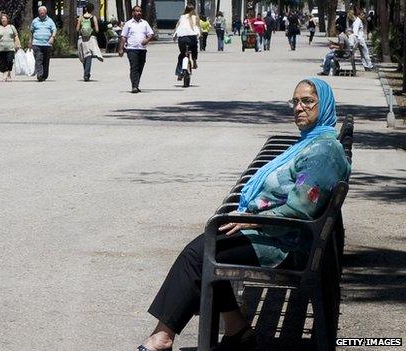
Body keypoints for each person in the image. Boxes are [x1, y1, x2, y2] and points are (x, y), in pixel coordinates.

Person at [136, 78, 351, 351]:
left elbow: (301, 209)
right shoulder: (313, 142)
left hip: (286, 241)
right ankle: (236, 329)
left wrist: (249, 218)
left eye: (308, 102)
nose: (299, 108)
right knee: (208, 247)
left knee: (200, 253)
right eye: (295, 102)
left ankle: (162, 338)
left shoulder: (323, 151)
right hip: (278, 232)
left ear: (325, 105)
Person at [118, 5, 154, 94]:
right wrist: (121, 49)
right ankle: (134, 86)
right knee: (134, 67)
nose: (139, 13)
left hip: (142, 49)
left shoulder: (144, 23)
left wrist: (147, 40)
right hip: (131, 49)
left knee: (140, 67)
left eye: (140, 11)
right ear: (133, 13)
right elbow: (123, 37)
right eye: (137, 11)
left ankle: (136, 84)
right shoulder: (128, 24)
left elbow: (151, 34)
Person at [29, 6, 57, 82]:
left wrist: (52, 37)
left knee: (45, 61)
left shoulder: (50, 21)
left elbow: (54, 29)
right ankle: (40, 75)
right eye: (40, 12)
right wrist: (30, 42)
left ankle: (44, 75)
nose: (41, 13)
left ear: (45, 12)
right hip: (37, 44)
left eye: (43, 11)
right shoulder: (35, 21)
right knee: (38, 60)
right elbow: (31, 32)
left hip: (47, 44)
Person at [76, 2, 103, 82]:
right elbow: (97, 30)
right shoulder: (93, 17)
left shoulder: (81, 17)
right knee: (89, 56)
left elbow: (77, 29)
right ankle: (86, 74)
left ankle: (86, 73)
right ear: (92, 9)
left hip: (82, 39)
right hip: (90, 38)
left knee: (84, 56)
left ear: (86, 9)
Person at [0, 13, 20, 82]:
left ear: (7, 19)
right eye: (2, 19)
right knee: (2, 62)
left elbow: (16, 36)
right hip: (0, 49)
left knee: (9, 61)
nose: (4, 20)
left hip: (10, 48)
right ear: (1, 20)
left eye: (5, 18)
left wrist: (18, 44)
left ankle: (8, 73)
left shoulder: (11, 27)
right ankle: (5, 74)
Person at [173, 5, 200, 79]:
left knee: (182, 54)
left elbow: (177, 27)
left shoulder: (182, 17)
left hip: (181, 39)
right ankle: (194, 61)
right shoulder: (195, 17)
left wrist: (174, 37)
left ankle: (179, 73)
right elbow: (197, 28)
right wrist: (199, 35)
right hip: (191, 38)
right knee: (194, 47)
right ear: (193, 10)